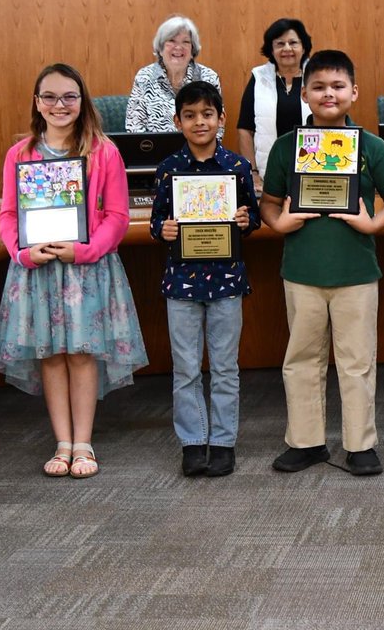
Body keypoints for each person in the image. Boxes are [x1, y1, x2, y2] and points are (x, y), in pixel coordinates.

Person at [0, 63, 149, 478]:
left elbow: (117, 215)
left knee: (81, 355)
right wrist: (22, 254)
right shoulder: (20, 154)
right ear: (37, 103)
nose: (60, 105)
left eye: (69, 97)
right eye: (50, 97)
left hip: (86, 269)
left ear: (82, 102)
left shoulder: (103, 151)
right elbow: (8, 216)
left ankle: (84, 443)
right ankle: (62, 442)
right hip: (38, 270)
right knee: (51, 355)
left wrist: (86, 250)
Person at [260, 50, 384, 477]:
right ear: (304, 93)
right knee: (302, 358)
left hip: (356, 272)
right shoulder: (289, 147)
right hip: (302, 272)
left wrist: (372, 223)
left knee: (357, 359)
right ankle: (305, 442)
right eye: (319, 86)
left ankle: (360, 444)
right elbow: (269, 203)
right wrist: (281, 223)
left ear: (354, 92)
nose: (329, 93)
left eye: (338, 86)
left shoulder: (371, 146)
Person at [150, 80, 262, 478]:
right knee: (185, 367)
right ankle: (193, 442)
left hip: (226, 282)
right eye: (191, 115)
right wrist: (162, 230)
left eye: (208, 114)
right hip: (181, 284)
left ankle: (224, 441)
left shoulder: (236, 168)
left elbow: (253, 218)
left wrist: (247, 220)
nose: (200, 122)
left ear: (221, 119)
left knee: (226, 366)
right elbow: (155, 222)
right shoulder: (167, 170)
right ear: (177, 120)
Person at [237, 18, 313, 189]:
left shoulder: (316, 76)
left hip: (312, 172)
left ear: (304, 47)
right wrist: (253, 173)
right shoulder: (258, 77)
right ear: (271, 49)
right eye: (280, 43)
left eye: (293, 43)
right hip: (269, 173)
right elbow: (245, 129)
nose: (287, 48)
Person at [126, 15, 222, 133]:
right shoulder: (144, 77)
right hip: (156, 150)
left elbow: (217, 126)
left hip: (199, 150)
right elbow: (134, 127)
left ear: (192, 50)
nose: (178, 47)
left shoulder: (208, 77)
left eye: (186, 42)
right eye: (171, 41)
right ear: (160, 48)